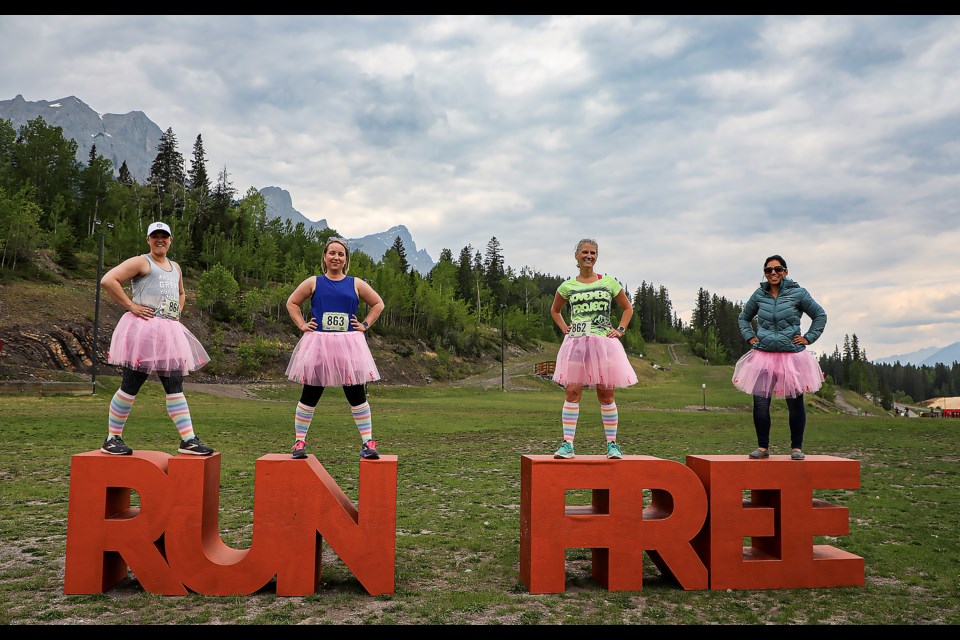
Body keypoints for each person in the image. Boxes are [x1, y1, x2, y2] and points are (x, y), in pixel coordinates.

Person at [99, 221, 214, 456]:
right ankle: (112, 438)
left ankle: (188, 440)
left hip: (168, 333)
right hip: (143, 332)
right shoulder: (142, 261)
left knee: (175, 386)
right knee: (131, 384)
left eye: (164, 236)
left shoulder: (176, 267)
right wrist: (131, 305)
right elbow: (108, 280)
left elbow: (181, 292)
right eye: (155, 236)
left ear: (171, 240)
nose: (160, 239)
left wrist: (178, 310)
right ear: (148, 240)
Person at [284, 237, 385, 460]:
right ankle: (299, 442)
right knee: (309, 394)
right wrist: (302, 325)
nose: (336, 257)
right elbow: (292, 302)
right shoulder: (313, 282)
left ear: (346, 259)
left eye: (341, 254)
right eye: (332, 253)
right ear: (324, 257)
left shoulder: (356, 283)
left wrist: (365, 325)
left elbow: (378, 304)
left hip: (349, 346)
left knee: (357, 395)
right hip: (318, 345)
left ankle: (368, 442)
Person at [550, 238, 638, 459]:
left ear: (596, 256)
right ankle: (567, 444)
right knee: (572, 391)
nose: (589, 256)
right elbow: (555, 311)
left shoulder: (608, 282)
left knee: (606, 394)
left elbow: (627, 308)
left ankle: (612, 445)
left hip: (604, 344)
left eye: (593, 253)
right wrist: (564, 329)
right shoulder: (567, 286)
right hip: (577, 343)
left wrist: (620, 329)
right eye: (585, 252)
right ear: (577, 256)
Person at [733, 254, 827, 461]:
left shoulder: (799, 294)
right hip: (763, 355)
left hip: (791, 357)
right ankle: (762, 448)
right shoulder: (759, 295)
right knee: (760, 403)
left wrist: (808, 338)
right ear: (765, 273)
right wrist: (750, 337)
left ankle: (796, 448)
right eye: (768, 270)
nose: (773, 273)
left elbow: (820, 315)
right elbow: (743, 318)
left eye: (777, 269)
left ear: (785, 271)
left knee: (795, 402)